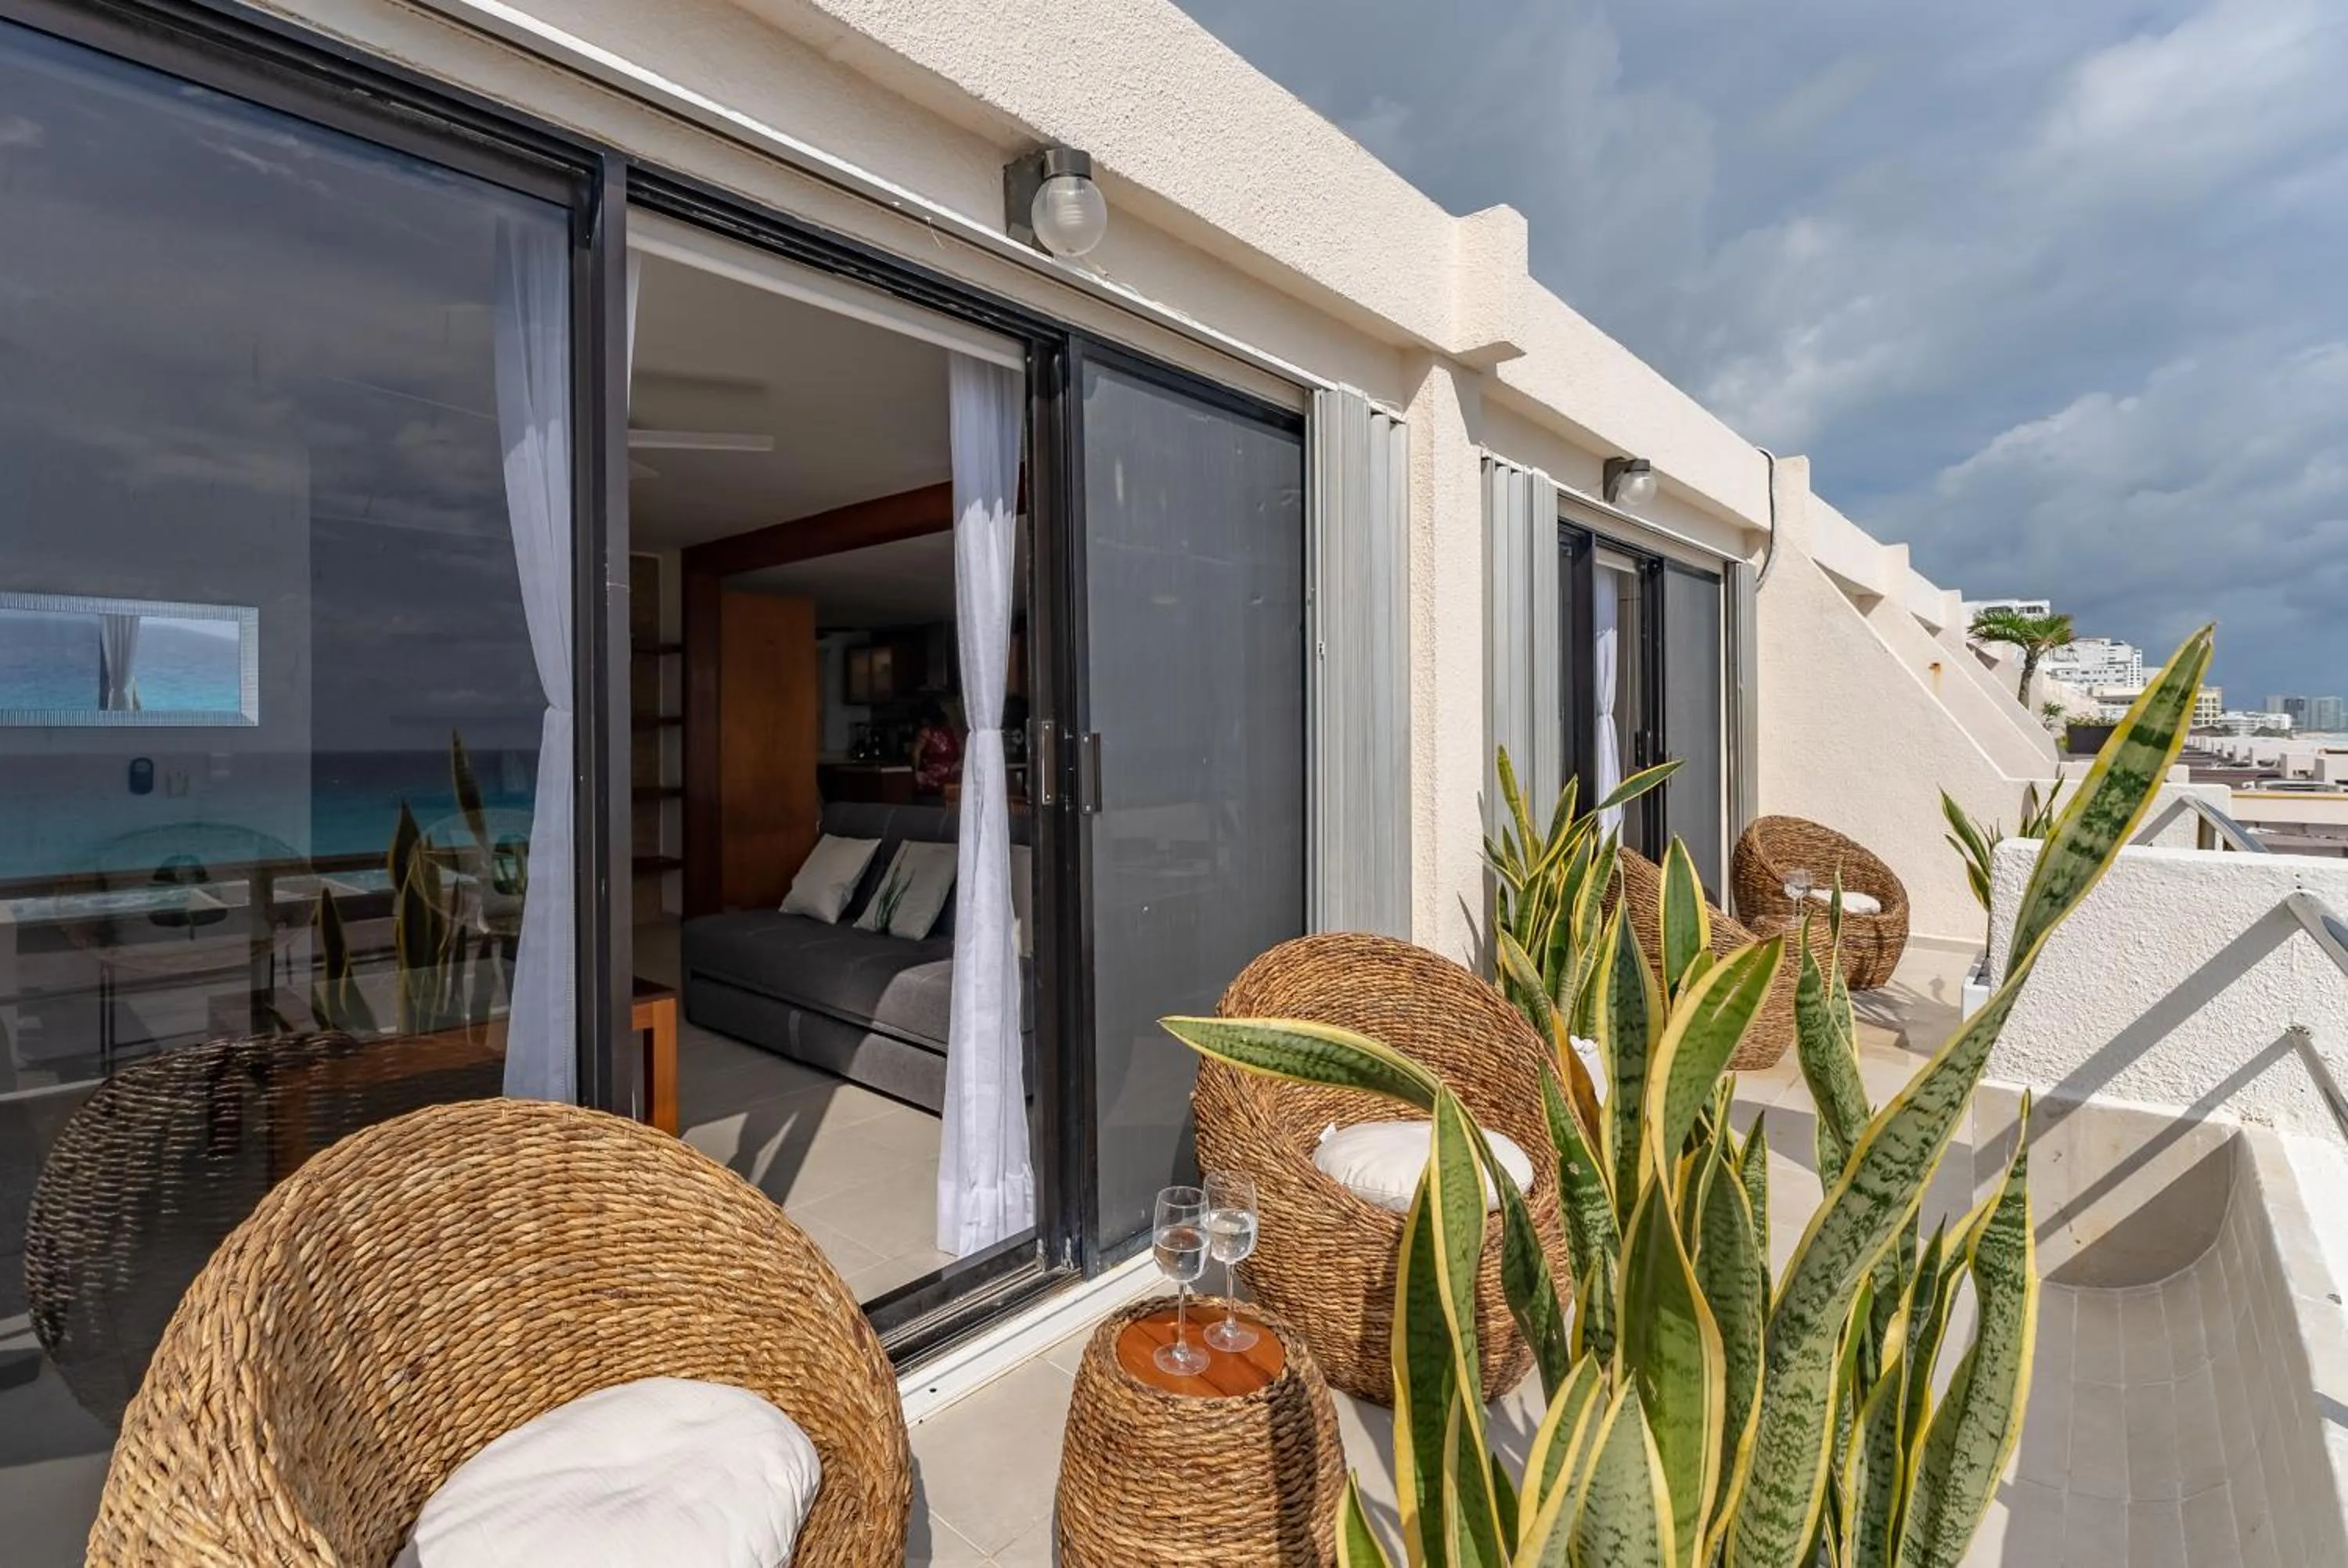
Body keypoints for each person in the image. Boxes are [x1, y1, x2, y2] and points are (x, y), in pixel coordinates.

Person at [911, 698, 963, 800]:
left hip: (931, 781)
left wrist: (915, 771)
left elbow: (915, 754)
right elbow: (961, 752)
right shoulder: (952, 732)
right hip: (951, 779)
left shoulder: (925, 733)